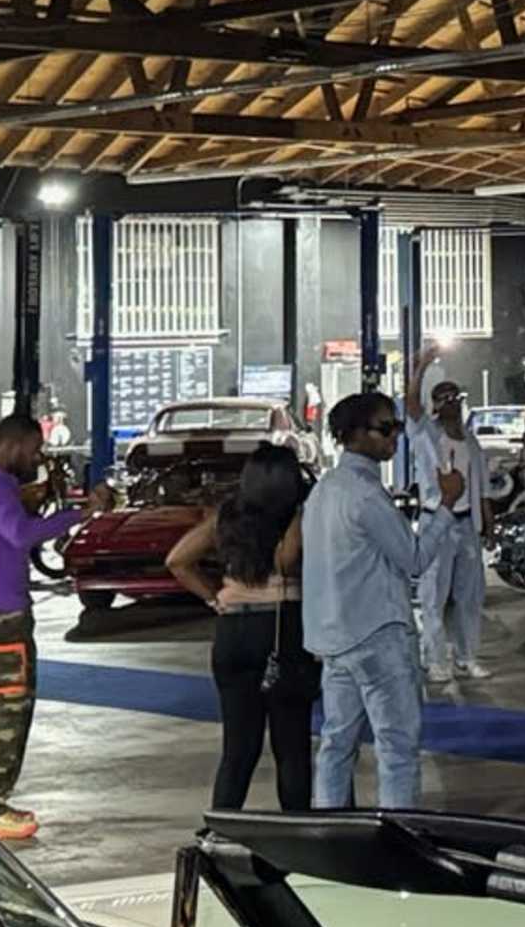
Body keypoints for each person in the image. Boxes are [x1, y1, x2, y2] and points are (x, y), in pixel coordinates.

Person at [0, 412, 97, 843]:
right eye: (34, 450)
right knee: (4, 713)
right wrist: (74, 517)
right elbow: (18, 534)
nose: (38, 458)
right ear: (15, 446)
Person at [168, 445, 314, 812]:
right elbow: (287, 560)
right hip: (283, 629)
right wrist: (301, 513)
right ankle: (297, 835)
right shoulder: (297, 515)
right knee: (291, 745)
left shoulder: (228, 516)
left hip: (233, 633)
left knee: (238, 748)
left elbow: (177, 561)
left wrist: (214, 597)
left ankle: (219, 831)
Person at [308, 389, 435, 806]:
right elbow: (413, 558)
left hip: (334, 637)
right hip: (377, 633)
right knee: (397, 749)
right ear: (355, 434)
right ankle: (397, 839)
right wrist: (444, 509)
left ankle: (329, 835)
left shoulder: (323, 490)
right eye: (386, 428)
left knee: (335, 745)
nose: (394, 436)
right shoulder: (366, 495)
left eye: (396, 427)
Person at [399, 343, 491, 686]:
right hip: (437, 520)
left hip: (466, 524)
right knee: (433, 594)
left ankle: (467, 656)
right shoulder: (426, 434)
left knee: (469, 594)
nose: (452, 402)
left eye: (456, 397)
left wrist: (487, 521)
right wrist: (421, 365)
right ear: (436, 405)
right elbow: (410, 405)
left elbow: (479, 484)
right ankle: (436, 659)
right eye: (445, 398)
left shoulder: (470, 439)